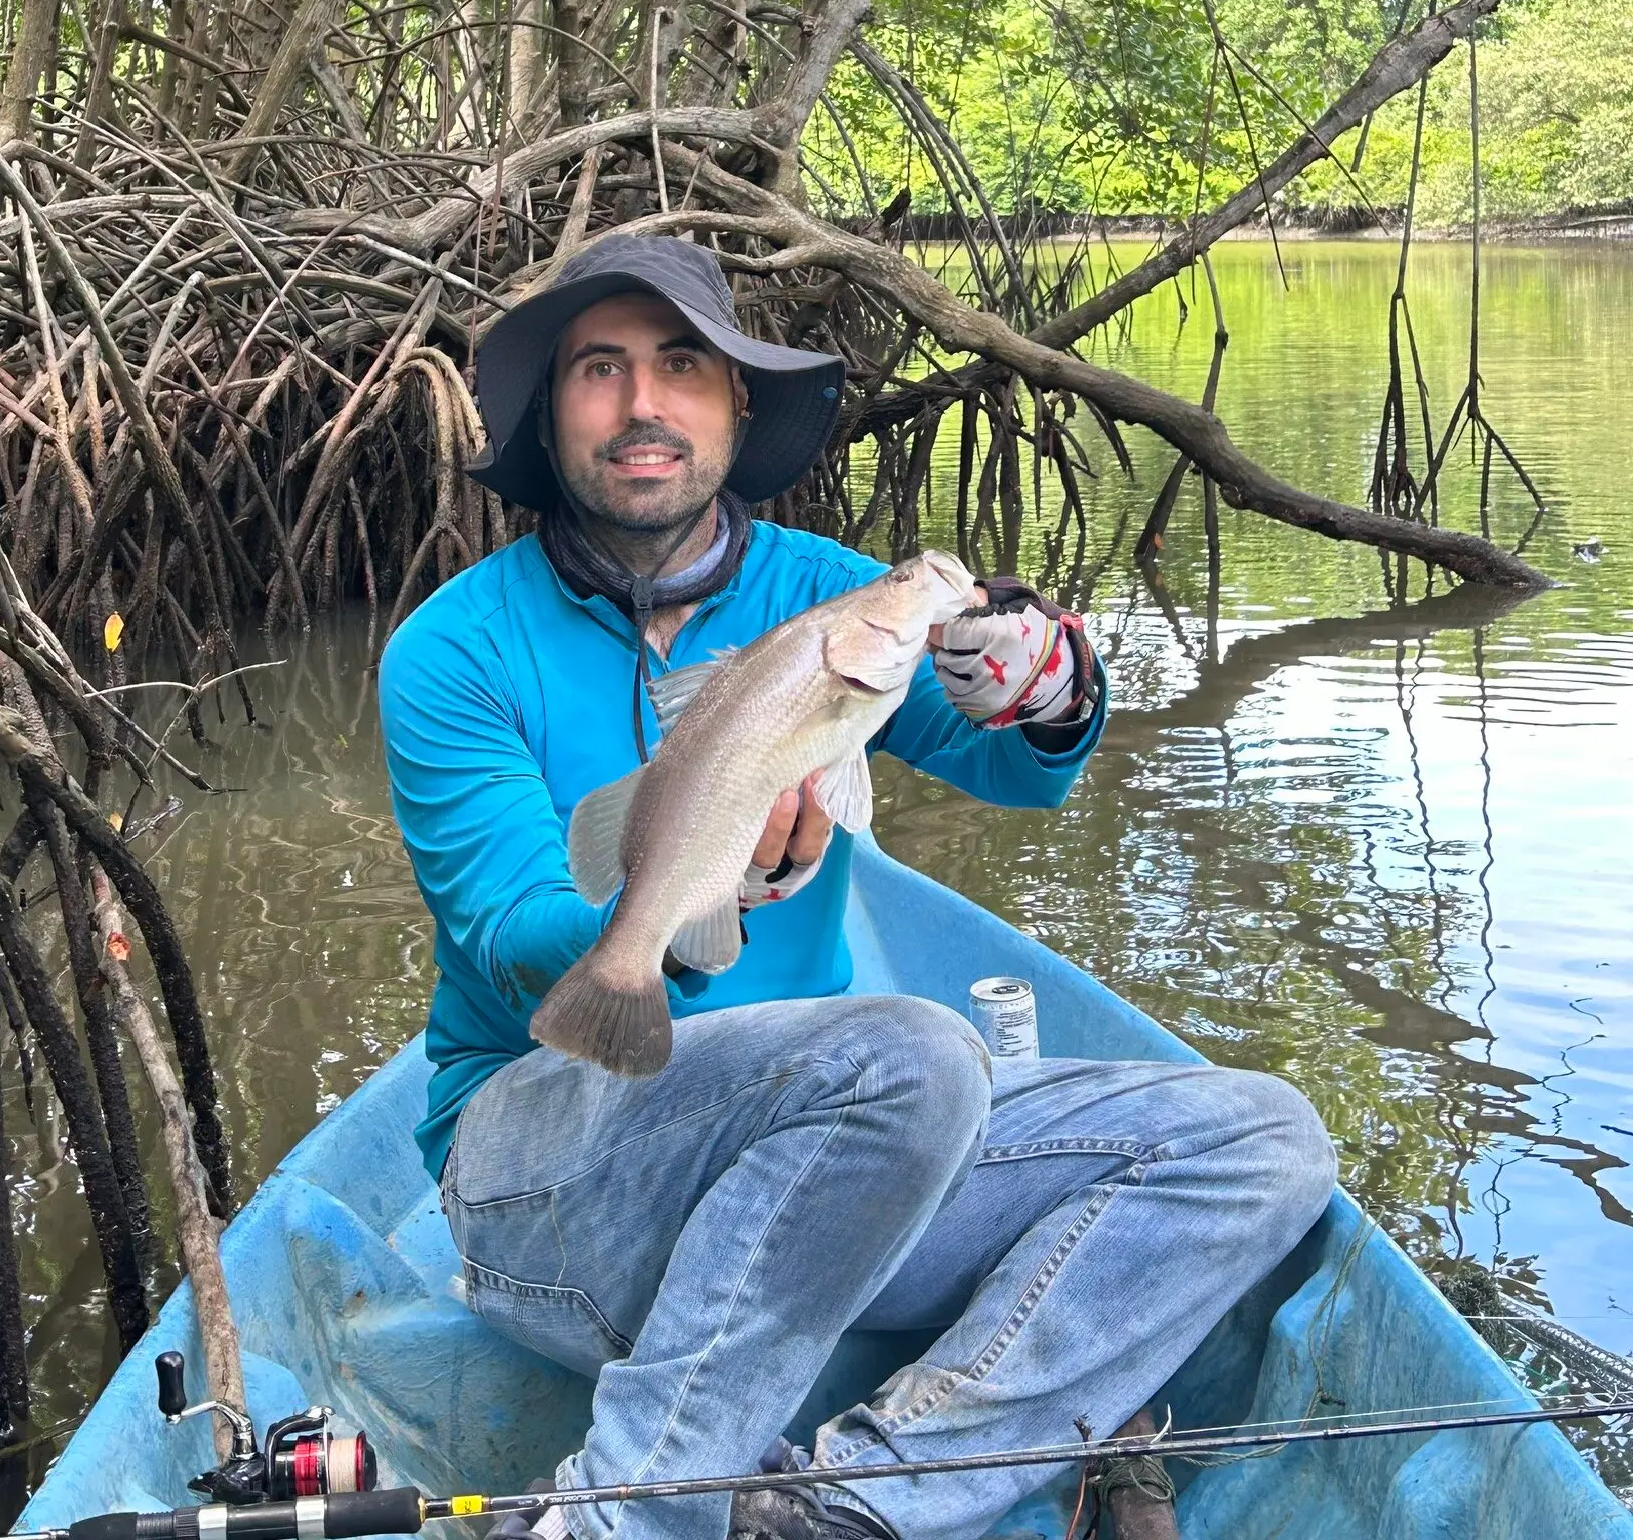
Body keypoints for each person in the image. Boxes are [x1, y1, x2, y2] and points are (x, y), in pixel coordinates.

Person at [377, 235, 1335, 1540]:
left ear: (737, 407)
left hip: (850, 1153)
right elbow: (504, 933)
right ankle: (624, 1517)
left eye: (682, 369)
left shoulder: (834, 601)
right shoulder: (452, 649)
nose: (644, 404)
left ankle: (867, 1500)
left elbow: (1021, 770)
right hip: (549, 1185)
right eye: (600, 371)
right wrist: (675, 921)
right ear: (552, 415)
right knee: (912, 1052)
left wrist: (1052, 688)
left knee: (1264, 1137)